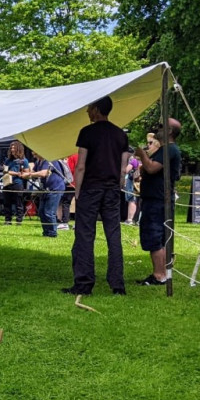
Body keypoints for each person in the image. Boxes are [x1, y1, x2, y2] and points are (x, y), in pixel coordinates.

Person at [62, 96, 129, 296]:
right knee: (113, 235)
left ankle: (84, 283)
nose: (88, 112)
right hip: (111, 189)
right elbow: (123, 169)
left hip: (91, 188)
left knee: (84, 234)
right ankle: (117, 285)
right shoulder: (120, 135)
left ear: (97, 110)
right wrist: (117, 186)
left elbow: (81, 165)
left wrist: (77, 190)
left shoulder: (87, 132)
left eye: (90, 108)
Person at [133, 119, 182, 286]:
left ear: (169, 131)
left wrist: (142, 154)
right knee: (156, 236)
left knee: (155, 236)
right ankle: (160, 273)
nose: (156, 129)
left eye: (160, 127)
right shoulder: (166, 149)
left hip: (157, 200)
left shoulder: (169, 150)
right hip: (156, 199)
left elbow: (153, 168)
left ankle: (159, 275)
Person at [28, 153, 66, 237]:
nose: (34, 156)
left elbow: (44, 173)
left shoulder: (50, 159)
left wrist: (30, 174)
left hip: (55, 188)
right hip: (45, 189)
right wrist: (26, 173)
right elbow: (34, 171)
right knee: (41, 211)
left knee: (49, 212)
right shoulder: (39, 161)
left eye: (35, 154)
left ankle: (52, 233)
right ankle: (46, 232)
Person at [1, 141, 30, 225]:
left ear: (18, 149)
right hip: (7, 183)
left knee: (19, 203)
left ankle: (19, 220)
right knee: (7, 202)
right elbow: (5, 171)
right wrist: (15, 173)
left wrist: (21, 174)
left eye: (14, 148)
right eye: (11, 148)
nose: (12, 149)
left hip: (18, 183)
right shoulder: (8, 160)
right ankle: (8, 220)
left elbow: (26, 173)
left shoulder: (24, 161)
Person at [123, 147, 140, 225]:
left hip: (133, 184)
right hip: (140, 184)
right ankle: (138, 219)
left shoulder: (134, 161)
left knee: (132, 200)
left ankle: (130, 219)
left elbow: (126, 170)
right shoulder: (145, 161)